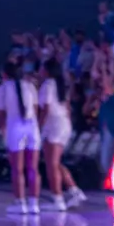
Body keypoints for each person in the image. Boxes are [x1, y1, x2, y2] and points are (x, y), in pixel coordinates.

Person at [36, 60, 84, 211]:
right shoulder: (60, 85)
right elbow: (67, 108)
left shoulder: (48, 85)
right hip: (64, 123)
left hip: (53, 124)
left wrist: (37, 127)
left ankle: (58, 200)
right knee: (55, 162)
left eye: (42, 68)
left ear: (47, 70)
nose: (40, 70)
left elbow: (45, 109)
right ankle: (74, 191)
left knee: (51, 164)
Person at [0, 61, 40, 216]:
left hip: (15, 128)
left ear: (5, 74)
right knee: (33, 167)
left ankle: (20, 203)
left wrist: (3, 132)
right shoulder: (30, 86)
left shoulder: (2, 89)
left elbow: (1, 114)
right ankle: (34, 204)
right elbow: (35, 109)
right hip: (32, 127)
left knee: (17, 168)